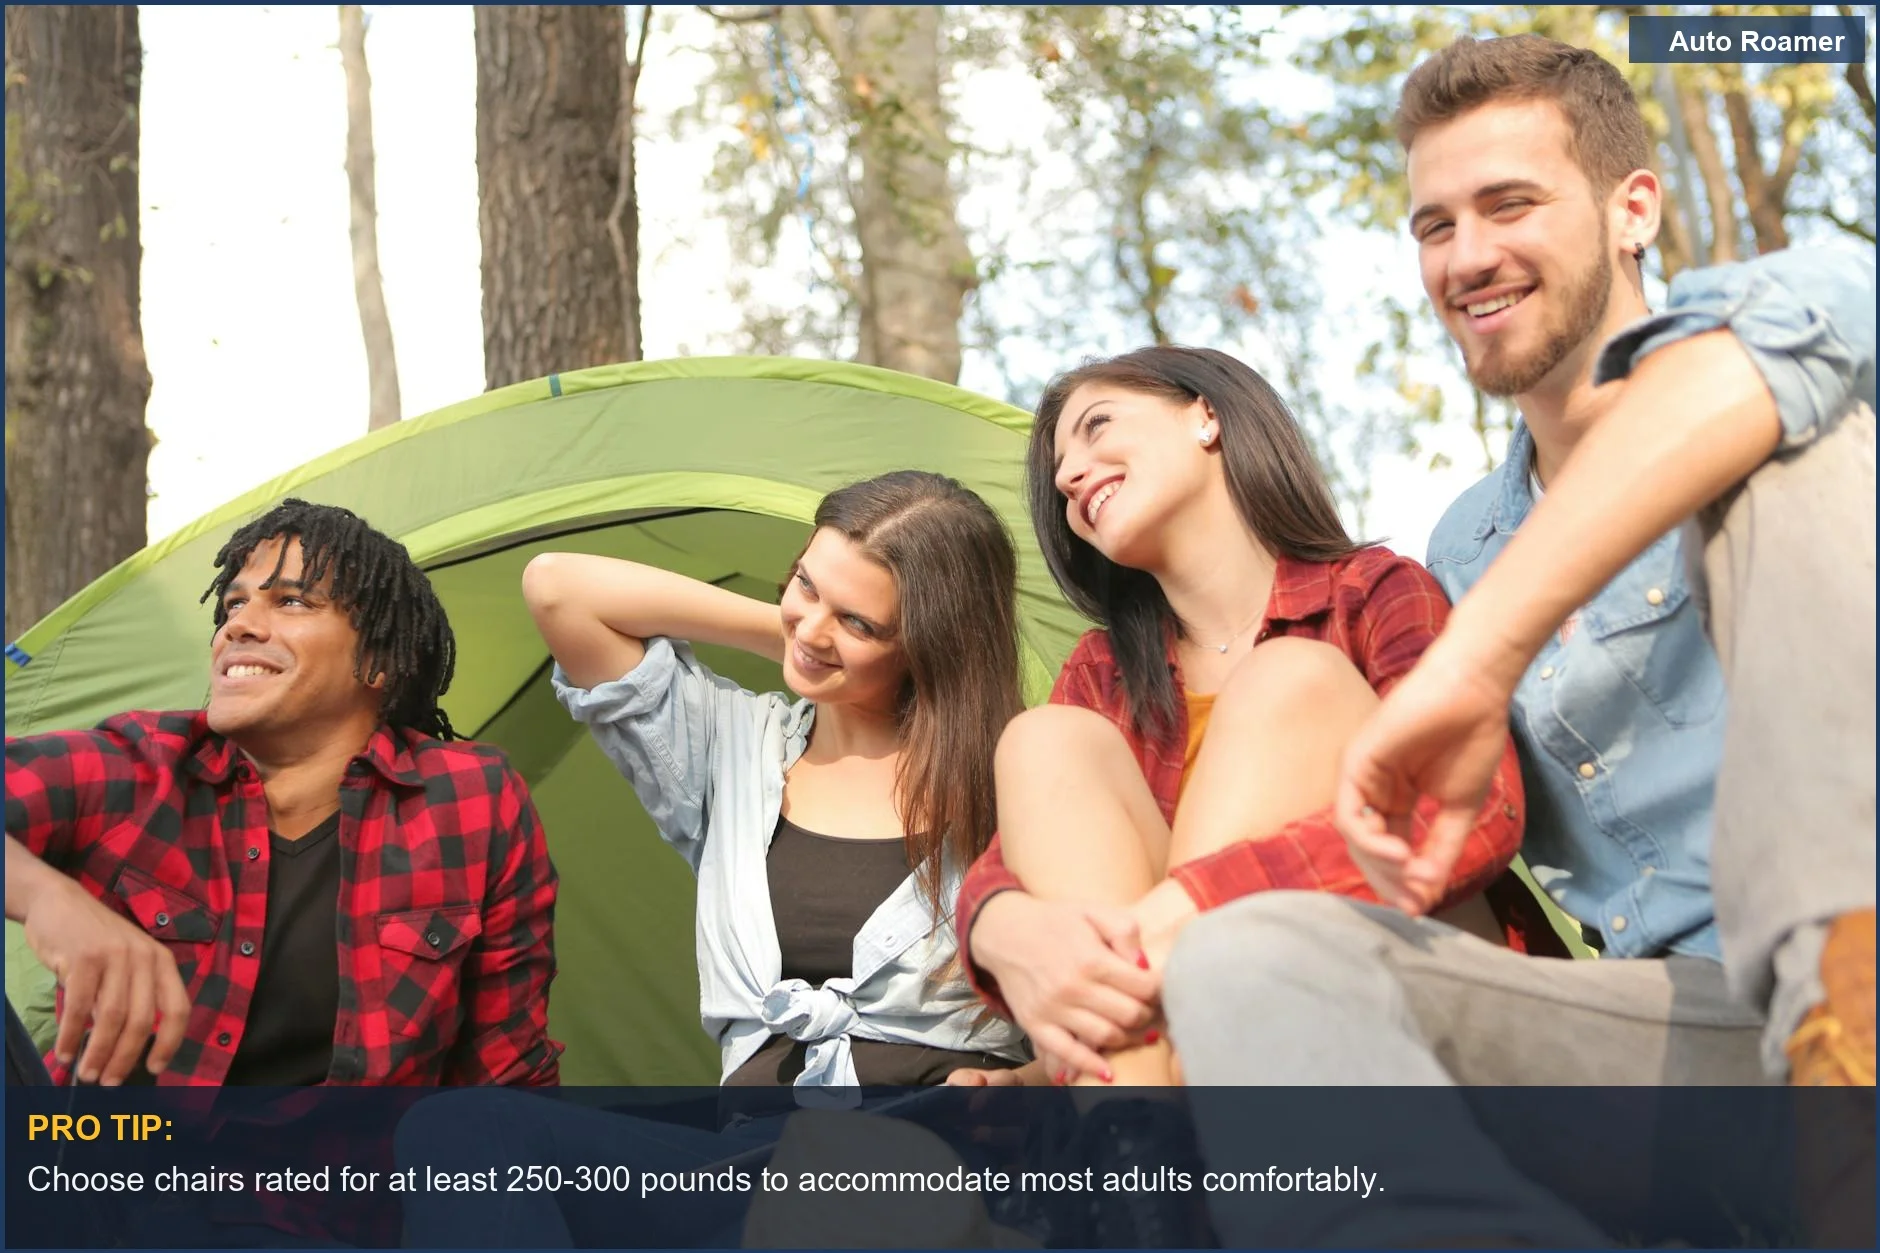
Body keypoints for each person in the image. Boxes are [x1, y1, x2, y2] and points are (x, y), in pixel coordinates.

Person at [1166, 31, 1873, 1096]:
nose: (1463, 258)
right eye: (1433, 226)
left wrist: (1476, 658)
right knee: (1247, 958)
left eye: (1509, 206)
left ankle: (1845, 1026)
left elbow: (1739, 380)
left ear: (1631, 210)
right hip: (1686, 1028)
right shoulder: (1461, 547)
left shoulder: (1824, 293)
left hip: (1850, 939)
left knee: (1784, 441)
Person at [395, 471, 1031, 1248]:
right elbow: (559, 588)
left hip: (924, 1160)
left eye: (860, 621)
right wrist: (801, 637)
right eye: (806, 581)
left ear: (933, 642)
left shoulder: (1018, 778)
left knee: (834, 1171)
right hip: (740, 1158)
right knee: (467, 1136)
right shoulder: (733, 747)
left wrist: (1022, 1086)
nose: (815, 622)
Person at [953, 344, 1540, 1088]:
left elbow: (1472, 806)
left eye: (1096, 426)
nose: (1069, 475)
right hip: (1195, 1050)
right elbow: (1016, 856)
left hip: (1410, 1005)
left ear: (1205, 416)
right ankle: (1140, 1161)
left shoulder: (1374, 592)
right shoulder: (1103, 673)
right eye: (1060, 473)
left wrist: (1181, 913)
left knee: (1290, 679)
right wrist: (999, 927)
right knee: (1043, 740)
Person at [4, 498, 564, 1087]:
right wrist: (47, 899)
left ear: (377, 663)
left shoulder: (470, 800)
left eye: (292, 601)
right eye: (234, 603)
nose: (237, 626)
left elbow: (504, 1071)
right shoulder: (139, 766)